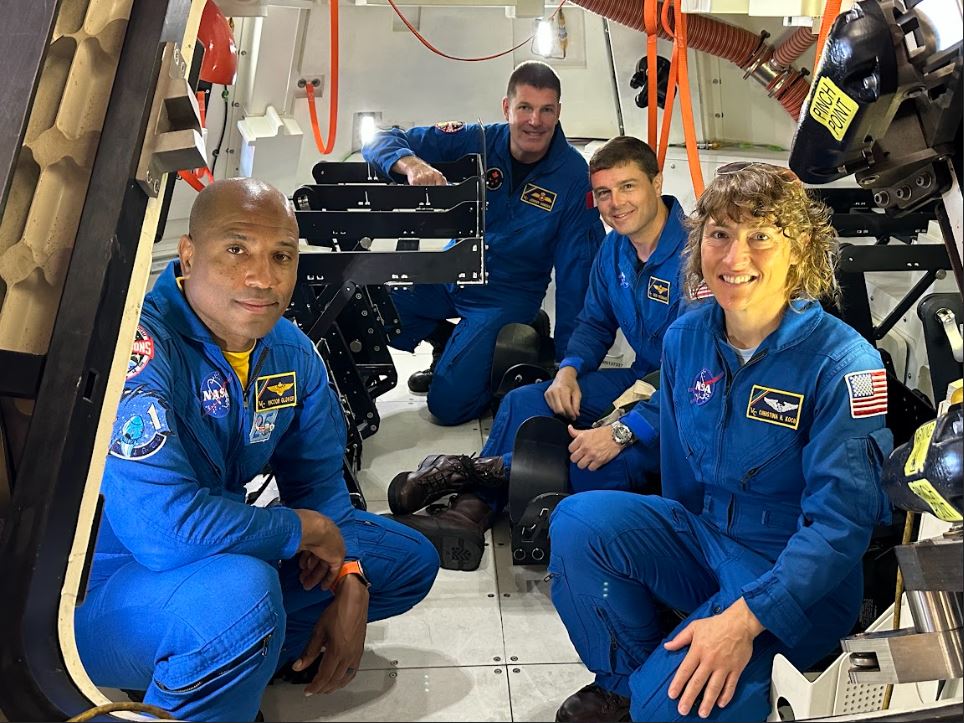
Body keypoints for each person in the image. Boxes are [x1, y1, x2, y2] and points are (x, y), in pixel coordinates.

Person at [74, 179, 440, 723]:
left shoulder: (290, 353)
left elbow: (321, 492)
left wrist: (350, 577)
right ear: (189, 254)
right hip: (100, 588)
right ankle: (217, 657)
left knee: (406, 561)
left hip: (212, 551)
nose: (263, 277)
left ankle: (231, 666)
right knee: (242, 597)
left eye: (281, 256)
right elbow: (163, 533)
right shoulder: (143, 352)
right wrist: (304, 531)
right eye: (236, 249)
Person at [548, 163, 893, 722]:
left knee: (670, 710)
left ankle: (662, 693)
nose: (735, 257)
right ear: (700, 242)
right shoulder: (688, 335)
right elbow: (678, 455)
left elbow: (841, 526)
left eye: (761, 236)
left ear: (799, 248)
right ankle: (629, 686)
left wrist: (743, 618)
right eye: (720, 234)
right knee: (579, 522)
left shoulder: (845, 364)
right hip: (708, 535)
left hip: (798, 579)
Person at [385, 136, 688, 571]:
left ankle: (465, 471)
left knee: (591, 464)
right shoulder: (614, 249)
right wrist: (567, 371)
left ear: (656, 182)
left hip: (685, 404)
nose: (615, 203)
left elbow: (702, 377)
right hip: (641, 381)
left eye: (627, 187)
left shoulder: (698, 256)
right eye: (603, 192)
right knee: (524, 400)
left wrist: (623, 430)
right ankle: (468, 513)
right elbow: (595, 323)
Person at [362, 60, 605, 425]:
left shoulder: (573, 177)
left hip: (506, 296)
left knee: (446, 406)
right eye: (524, 107)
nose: (534, 121)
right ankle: (449, 343)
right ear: (507, 107)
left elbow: (577, 274)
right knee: (370, 314)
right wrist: (411, 164)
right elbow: (380, 138)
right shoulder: (474, 140)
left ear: (558, 113)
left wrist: (565, 364)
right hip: (450, 272)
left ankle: (512, 350)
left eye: (546, 110)